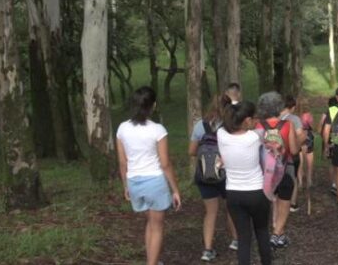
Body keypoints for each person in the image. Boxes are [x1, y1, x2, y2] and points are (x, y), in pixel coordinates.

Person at [116, 86, 182, 265]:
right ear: (153, 105)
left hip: (134, 182)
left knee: (150, 223)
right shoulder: (157, 130)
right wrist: (175, 190)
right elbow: (165, 163)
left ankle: (152, 260)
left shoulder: (122, 128)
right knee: (157, 226)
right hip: (154, 182)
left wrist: (125, 186)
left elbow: (123, 163)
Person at [219, 101, 272, 265]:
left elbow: (223, 124)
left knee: (243, 238)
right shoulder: (255, 137)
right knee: (262, 232)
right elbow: (270, 136)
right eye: (253, 118)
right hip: (256, 192)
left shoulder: (221, 134)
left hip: (233, 194)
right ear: (247, 120)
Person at [189, 94, 238, 261]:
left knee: (210, 212)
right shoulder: (231, 126)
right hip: (226, 174)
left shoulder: (199, 126)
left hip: (205, 174)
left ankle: (207, 249)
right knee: (231, 208)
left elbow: (191, 151)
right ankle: (236, 240)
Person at [256, 92, 299, 248]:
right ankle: (277, 232)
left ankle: (275, 234)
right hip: (283, 169)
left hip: (263, 172)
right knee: (284, 200)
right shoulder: (288, 125)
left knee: (266, 201)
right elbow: (294, 151)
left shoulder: (257, 125)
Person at [280, 96, 305, 214]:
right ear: (292, 107)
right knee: (293, 177)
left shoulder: (274, 117)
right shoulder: (294, 119)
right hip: (291, 153)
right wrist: (298, 144)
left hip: (276, 153)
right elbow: (300, 135)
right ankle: (292, 203)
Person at [299, 112, 315, 191]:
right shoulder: (308, 115)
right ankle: (309, 180)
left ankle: (300, 182)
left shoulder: (296, 115)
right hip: (308, 136)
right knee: (309, 158)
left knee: (300, 160)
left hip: (298, 135)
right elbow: (312, 126)